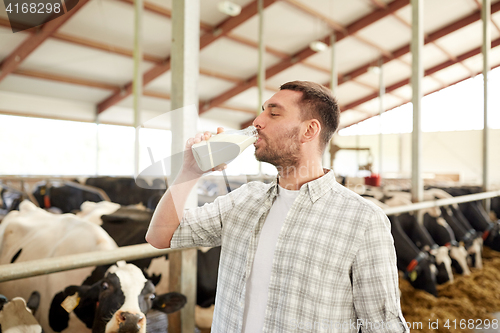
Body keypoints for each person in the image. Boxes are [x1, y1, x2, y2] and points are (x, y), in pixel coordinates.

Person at [146, 81, 409, 333]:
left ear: (309, 130)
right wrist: (190, 171)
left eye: (274, 114)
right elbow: (160, 236)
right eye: (262, 111)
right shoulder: (244, 200)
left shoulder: (363, 220)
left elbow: (383, 323)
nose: (257, 122)